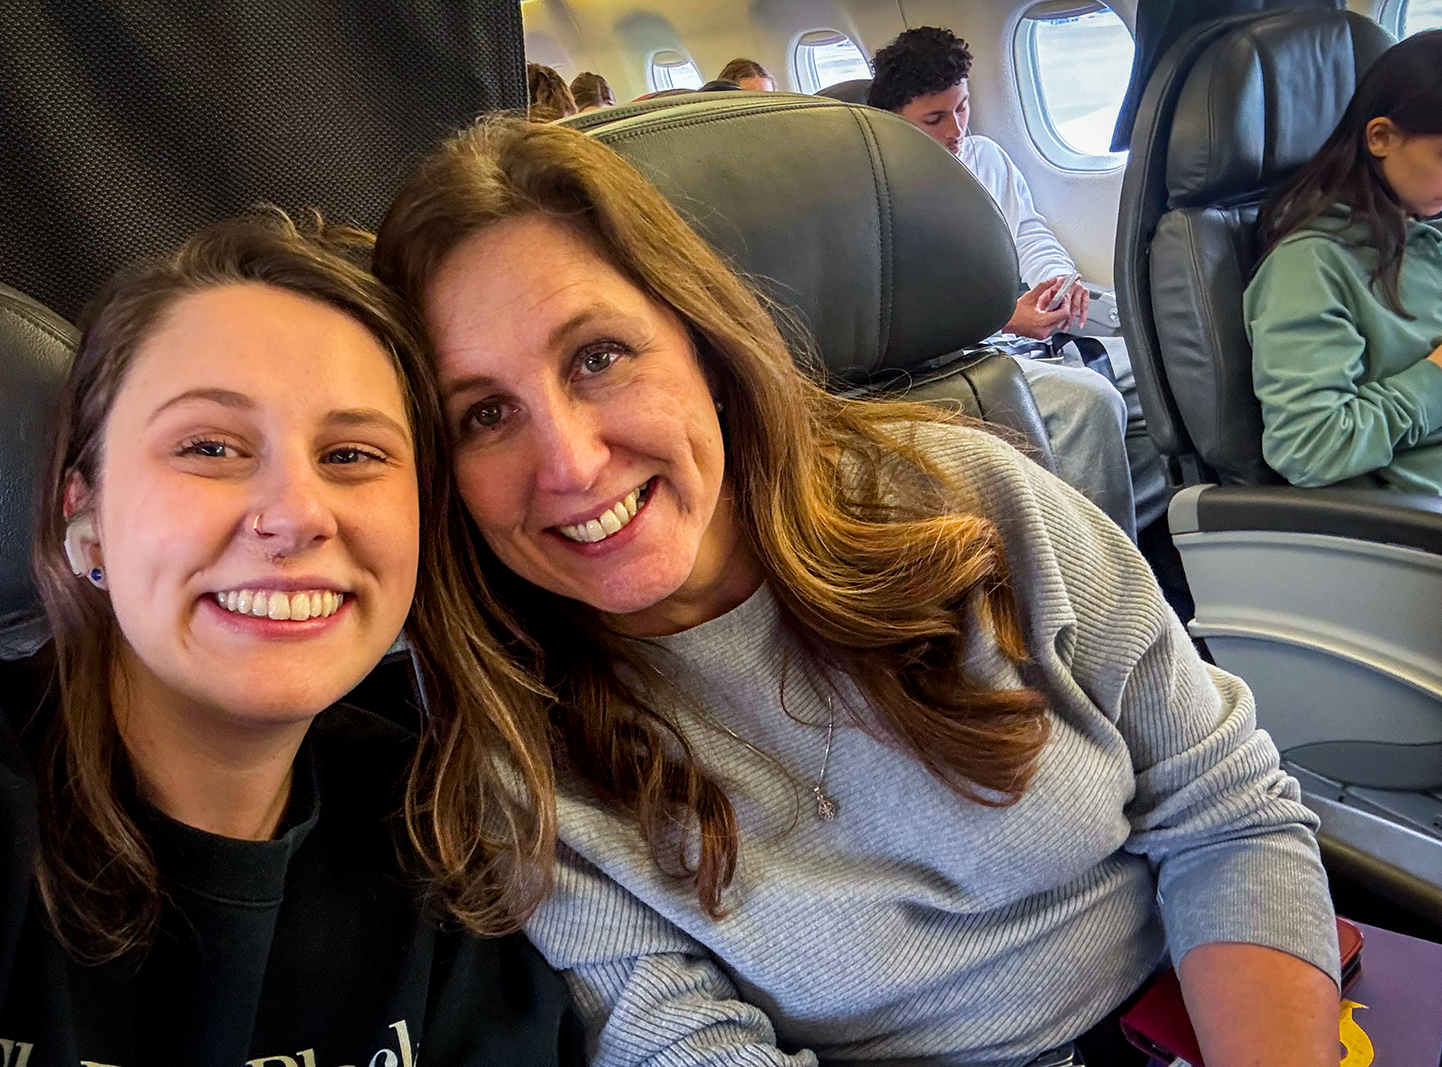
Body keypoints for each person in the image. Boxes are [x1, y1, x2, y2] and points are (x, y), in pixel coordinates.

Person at [374, 117, 1342, 1067]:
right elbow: (678, 1038)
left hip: (1206, 1004)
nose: (571, 464)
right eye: (484, 413)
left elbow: (1223, 811)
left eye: (598, 357)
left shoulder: (970, 496)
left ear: (704, 347)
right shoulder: (508, 734)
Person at [0, 211, 584, 1067]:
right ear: (83, 517)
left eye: (351, 454)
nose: (297, 514)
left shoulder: (448, 840)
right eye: (210, 447)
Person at [869, 26, 1168, 538]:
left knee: (1156, 374)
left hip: (1019, 331)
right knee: (1092, 402)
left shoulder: (984, 157)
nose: (956, 129)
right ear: (893, 122)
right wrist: (1005, 318)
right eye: (934, 119)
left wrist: (1057, 279)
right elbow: (902, 312)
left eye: (962, 107)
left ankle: (1100, 535)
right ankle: (1095, 566)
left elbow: (1028, 232)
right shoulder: (879, 193)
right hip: (956, 355)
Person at [1245, 31, 1442, 494]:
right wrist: (1436, 378)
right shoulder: (1309, 266)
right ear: (1381, 137)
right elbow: (1310, 447)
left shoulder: (1419, 231)